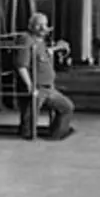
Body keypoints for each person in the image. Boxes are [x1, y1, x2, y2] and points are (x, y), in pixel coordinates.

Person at [16, 12, 76, 141]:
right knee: (30, 120)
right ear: (31, 26)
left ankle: (57, 133)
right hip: (38, 87)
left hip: (48, 87)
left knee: (67, 107)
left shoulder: (40, 41)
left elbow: (42, 55)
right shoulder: (26, 40)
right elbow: (22, 66)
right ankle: (28, 136)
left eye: (45, 25)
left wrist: (54, 49)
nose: (43, 28)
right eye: (39, 25)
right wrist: (30, 87)